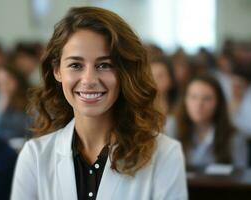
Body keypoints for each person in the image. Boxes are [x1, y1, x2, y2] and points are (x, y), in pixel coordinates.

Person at [11, 7, 187, 200]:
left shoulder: (165, 155)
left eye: (104, 65)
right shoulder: (35, 157)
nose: (89, 80)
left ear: (125, 72)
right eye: (76, 65)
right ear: (57, 71)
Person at [166, 75, 246, 168]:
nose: (199, 104)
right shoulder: (170, 127)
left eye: (207, 99)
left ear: (218, 103)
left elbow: (239, 176)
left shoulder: (233, 136)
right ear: (185, 100)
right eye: (193, 97)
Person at [0, 66, 32, 140]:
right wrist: (3, 101)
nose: (4, 86)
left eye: (7, 81)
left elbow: (34, 128)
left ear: (17, 80)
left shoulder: (31, 98)